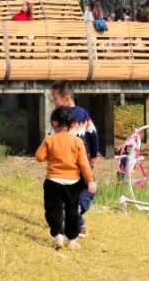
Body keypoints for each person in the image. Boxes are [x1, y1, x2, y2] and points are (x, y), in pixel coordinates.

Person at [35, 106, 95, 250]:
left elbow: (39, 157)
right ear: (72, 124)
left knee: (53, 209)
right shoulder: (77, 142)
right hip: (73, 183)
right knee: (72, 211)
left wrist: (48, 146)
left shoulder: (50, 139)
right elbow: (84, 164)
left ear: (54, 123)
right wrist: (90, 181)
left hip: (53, 181)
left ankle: (58, 235)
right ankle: (72, 240)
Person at [49, 80, 99, 238]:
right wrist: (93, 157)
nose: (53, 102)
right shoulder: (84, 114)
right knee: (88, 190)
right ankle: (78, 217)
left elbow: (51, 139)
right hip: (82, 163)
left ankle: (76, 219)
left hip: (64, 165)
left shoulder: (59, 117)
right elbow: (93, 135)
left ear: (66, 99)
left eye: (55, 99)